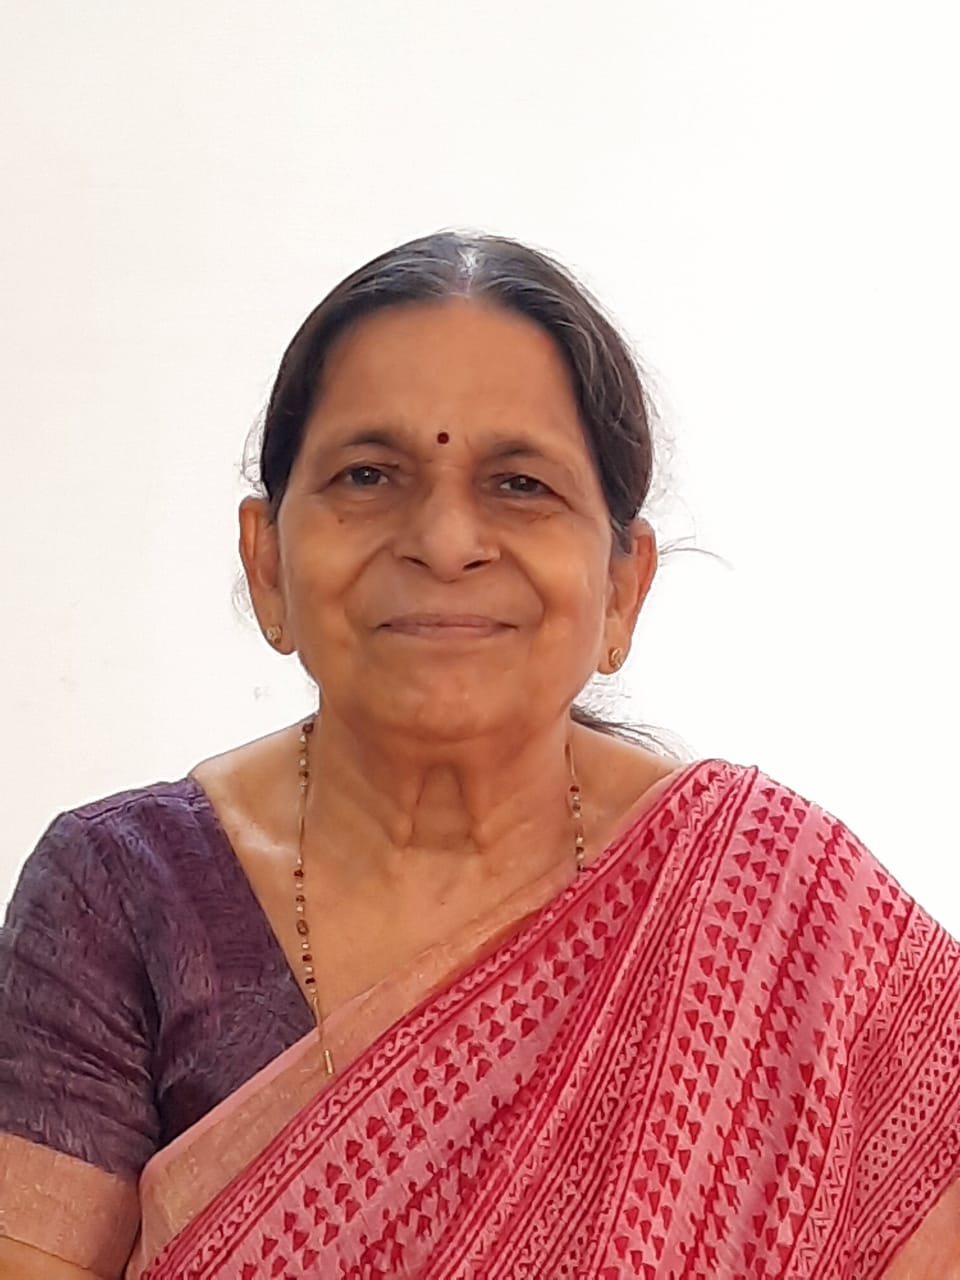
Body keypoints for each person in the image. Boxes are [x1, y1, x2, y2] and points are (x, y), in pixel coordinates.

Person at [1, 232, 958, 1280]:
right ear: (267, 562)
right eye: (369, 474)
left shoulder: (784, 915)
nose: (446, 539)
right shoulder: (121, 893)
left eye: (519, 483)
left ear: (623, 586)